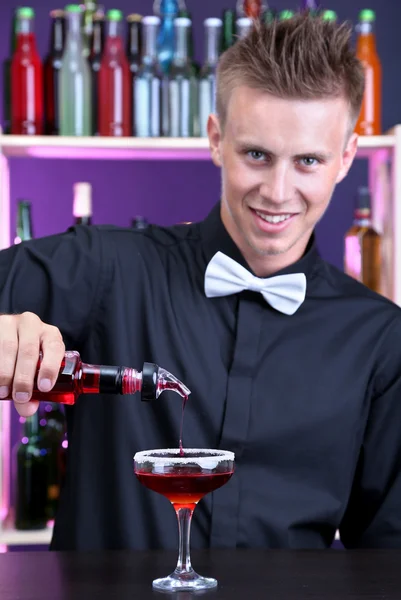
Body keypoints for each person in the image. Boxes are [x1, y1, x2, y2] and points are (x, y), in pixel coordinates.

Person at [1, 12, 401, 551]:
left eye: (308, 160)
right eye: (256, 154)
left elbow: (387, 556)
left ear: (346, 158)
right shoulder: (104, 266)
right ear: (216, 140)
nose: (279, 192)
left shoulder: (379, 340)